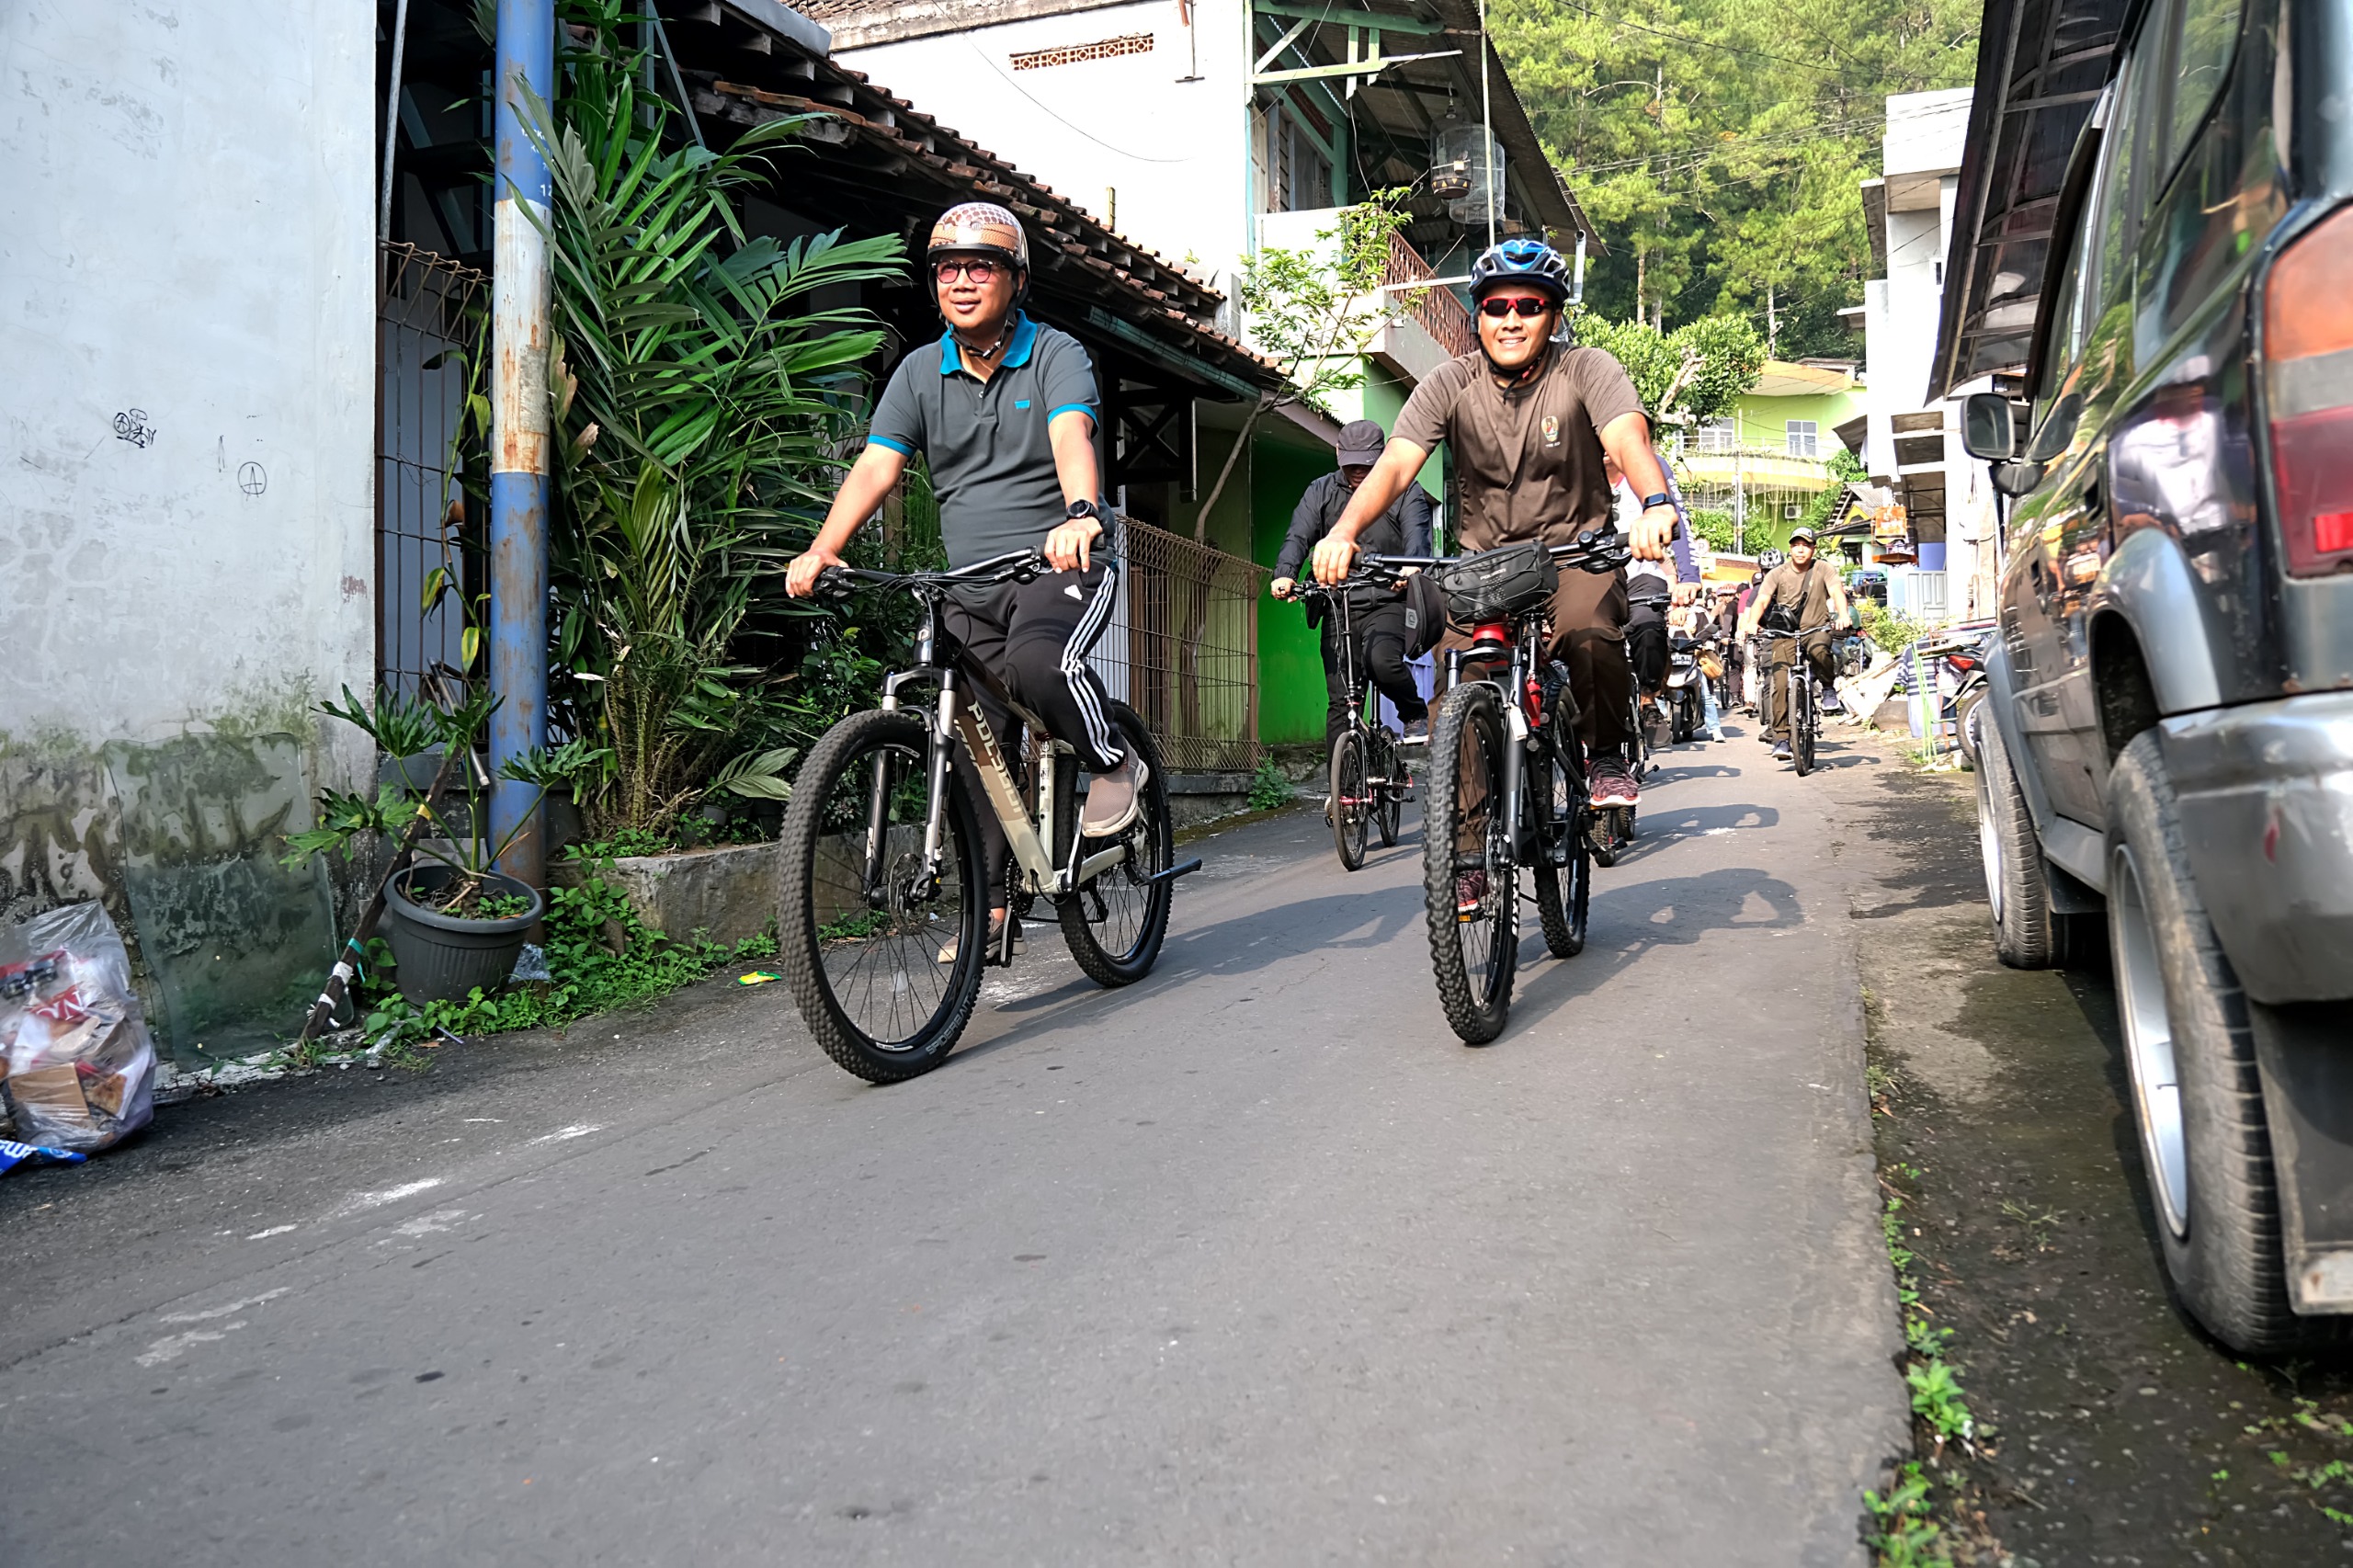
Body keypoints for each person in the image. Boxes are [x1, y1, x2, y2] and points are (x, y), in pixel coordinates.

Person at [786, 202, 1141, 956]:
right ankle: (994, 904)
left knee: (1039, 666)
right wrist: (824, 548)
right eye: (949, 268)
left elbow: (1070, 433)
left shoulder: (1054, 355)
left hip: (1059, 568)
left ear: (1014, 280)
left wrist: (1081, 513)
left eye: (981, 266)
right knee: (979, 746)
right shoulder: (918, 372)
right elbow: (878, 465)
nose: (962, 281)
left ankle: (1114, 761)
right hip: (967, 586)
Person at [1306, 238, 1682, 830]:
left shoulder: (1587, 370)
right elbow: (1399, 462)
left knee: (1589, 632)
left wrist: (1656, 504)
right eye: (1497, 306)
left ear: (1552, 315)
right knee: (1456, 690)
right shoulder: (1449, 383)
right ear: (1478, 315)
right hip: (1483, 568)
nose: (1512, 319)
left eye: (1529, 306)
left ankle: (1606, 756)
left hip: (1573, 556)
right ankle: (1469, 847)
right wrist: (1345, 530)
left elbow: (1625, 437)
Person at [1270, 418, 1434, 747]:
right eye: (1352, 463)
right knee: (1341, 701)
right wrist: (1285, 573)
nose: (1359, 470)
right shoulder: (1321, 491)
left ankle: (1413, 711)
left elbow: (1418, 535)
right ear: (1338, 454)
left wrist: (1412, 567)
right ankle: (1341, 793)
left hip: (1388, 598)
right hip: (1338, 602)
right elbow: (1298, 536)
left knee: (1383, 663)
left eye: (1367, 463)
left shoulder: (1405, 490)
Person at [1605, 449, 1702, 742]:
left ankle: (1648, 697)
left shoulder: (1648, 465)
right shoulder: (1572, 464)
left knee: (1648, 623)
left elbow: (1678, 519)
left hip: (1644, 574)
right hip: (1596, 577)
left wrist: (1687, 577)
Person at [1737, 526, 1853, 763]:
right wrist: (1751, 623)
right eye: (1796, 545)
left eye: (1805, 545)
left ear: (1813, 548)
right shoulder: (1777, 573)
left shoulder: (1823, 569)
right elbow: (1762, 599)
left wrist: (1843, 615)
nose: (1800, 550)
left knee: (1819, 651)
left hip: (1816, 628)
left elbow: (1837, 592)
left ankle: (1828, 687)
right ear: (1790, 548)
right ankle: (1781, 738)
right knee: (1779, 683)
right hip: (1785, 633)